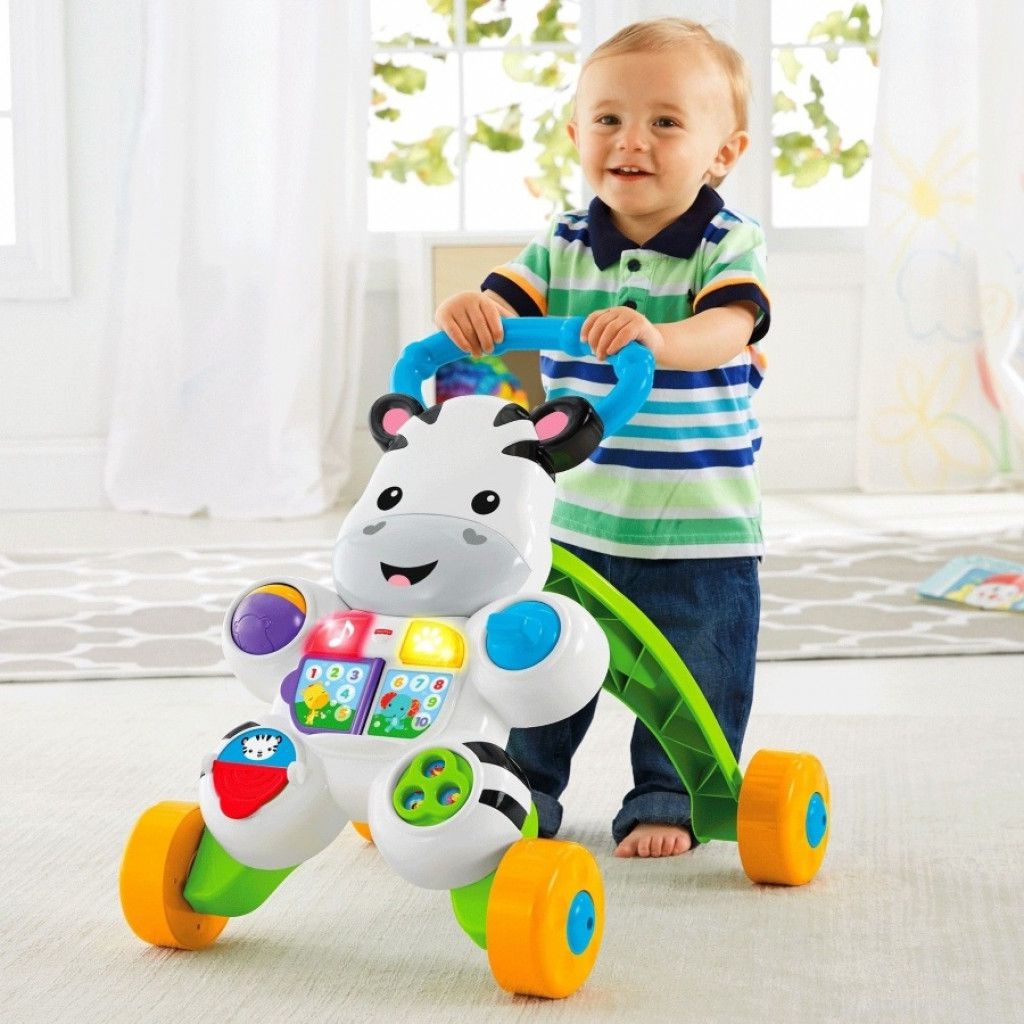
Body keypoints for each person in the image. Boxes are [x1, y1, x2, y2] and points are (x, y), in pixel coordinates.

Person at [434, 18, 770, 858]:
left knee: (695, 668)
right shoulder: (563, 242)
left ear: (723, 154)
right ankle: (520, 786)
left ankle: (669, 794)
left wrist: (660, 338)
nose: (632, 140)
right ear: (575, 134)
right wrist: (474, 313)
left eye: (665, 122)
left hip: (698, 525)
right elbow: (504, 304)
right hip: (572, 520)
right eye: (609, 119)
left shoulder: (727, 243)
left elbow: (730, 327)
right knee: (538, 660)